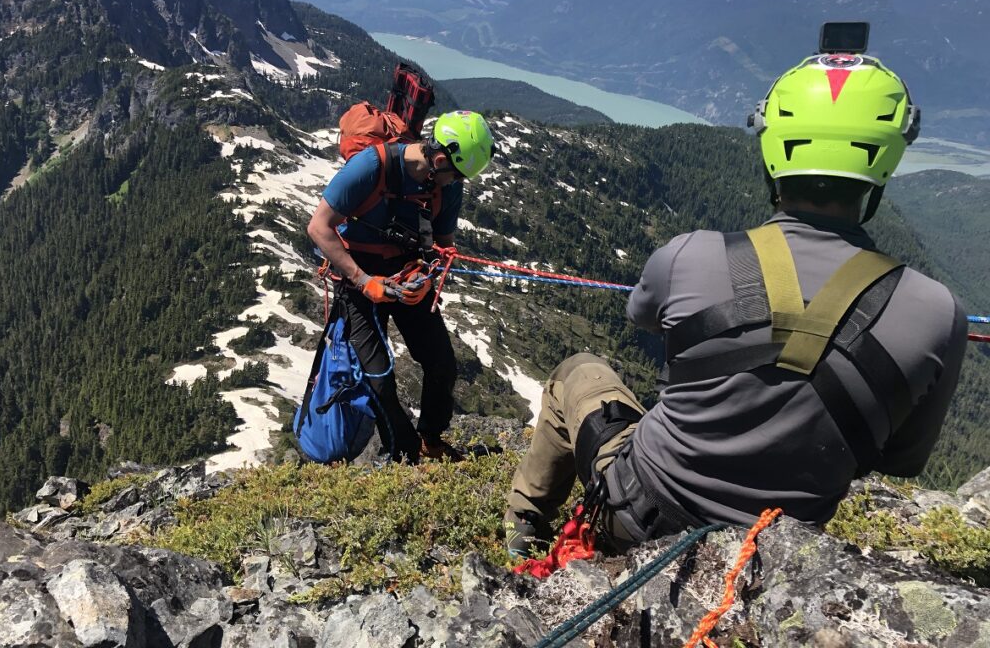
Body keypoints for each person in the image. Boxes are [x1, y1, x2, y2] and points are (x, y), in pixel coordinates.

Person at [504, 51, 969, 557]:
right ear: (887, 158)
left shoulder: (688, 254)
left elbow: (641, 315)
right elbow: (902, 460)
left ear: (773, 150)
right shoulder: (938, 312)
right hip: (773, 554)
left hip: (639, 517)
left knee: (579, 371)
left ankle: (524, 532)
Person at [308, 110, 496, 463]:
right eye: (452, 174)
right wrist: (363, 282)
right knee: (378, 377)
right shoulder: (370, 167)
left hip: (408, 273)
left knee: (441, 362)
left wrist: (427, 277)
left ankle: (430, 438)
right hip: (358, 275)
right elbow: (319, 228)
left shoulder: (447, 186)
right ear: (438, 159)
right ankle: (404, 451)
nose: (453, 183)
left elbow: (443, 244)